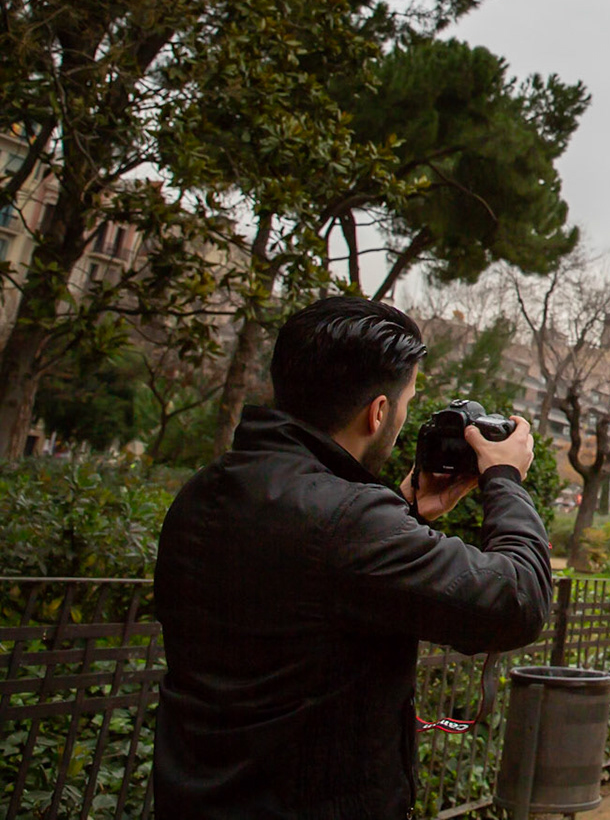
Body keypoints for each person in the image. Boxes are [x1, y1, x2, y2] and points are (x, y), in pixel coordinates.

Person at [154, 296, 552, 819]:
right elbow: (517, 601)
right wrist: (505, 479)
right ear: (379, 411)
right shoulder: (350, 523)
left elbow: (309, 594)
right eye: (408, 399)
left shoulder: (206, 491)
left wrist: (407, 512)